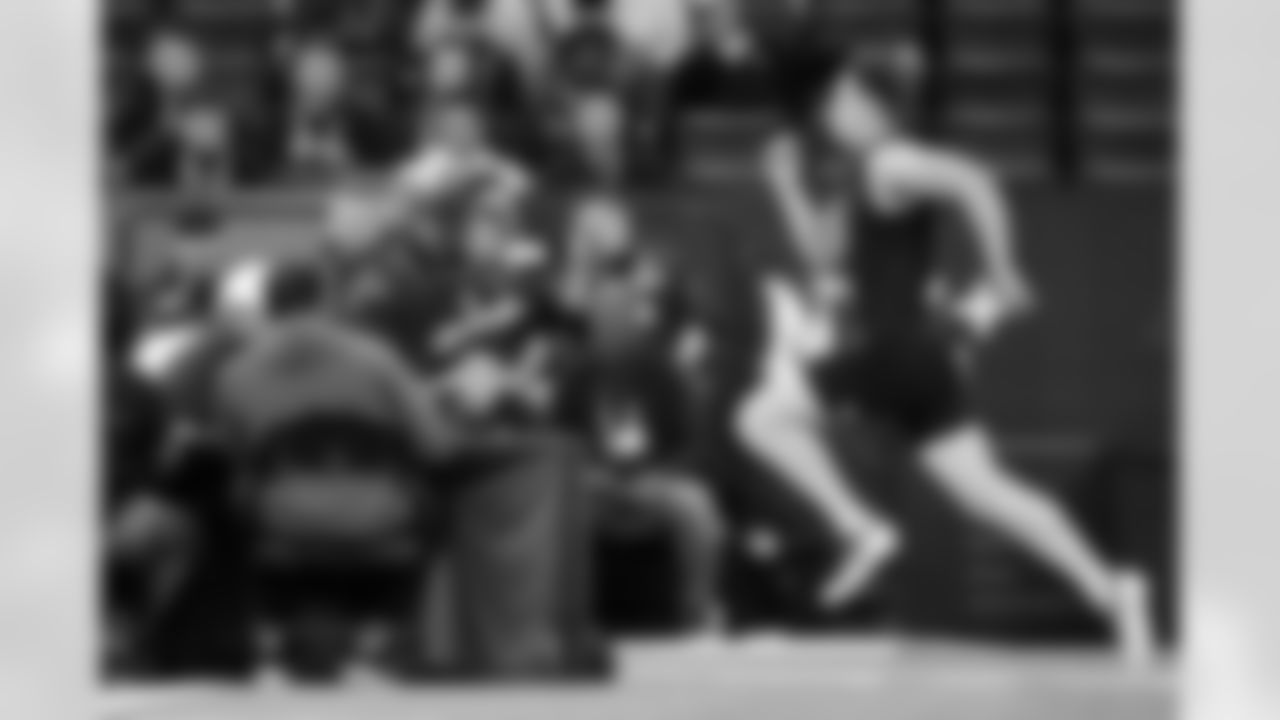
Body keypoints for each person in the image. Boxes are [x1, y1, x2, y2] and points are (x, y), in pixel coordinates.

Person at [739, 46, 1155, 661]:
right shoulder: (860, 172)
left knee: (758, 420)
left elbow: (975, 181)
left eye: (841, 97)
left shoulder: (892, 159)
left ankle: (861, 526)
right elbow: (821, 257)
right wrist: (782, 187)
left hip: (890, 349)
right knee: (984, 492)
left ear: (870, 108)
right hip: (920, 363)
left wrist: (1002, 266)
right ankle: (1110, 588)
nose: (829, 108)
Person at [559, 196, 725, 638]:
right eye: (602, 312)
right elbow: (559, 438)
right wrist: (591, 471)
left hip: (654, 477)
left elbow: (691, 442)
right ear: (593, 318)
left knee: (696, 506)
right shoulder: (576, 371)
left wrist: (657, 475)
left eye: (620, 311)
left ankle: (699, 611)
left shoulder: (661, 369)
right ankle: (566, 616)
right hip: (595, 480)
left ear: (636, 315)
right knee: (558, 503)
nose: (610, 319)